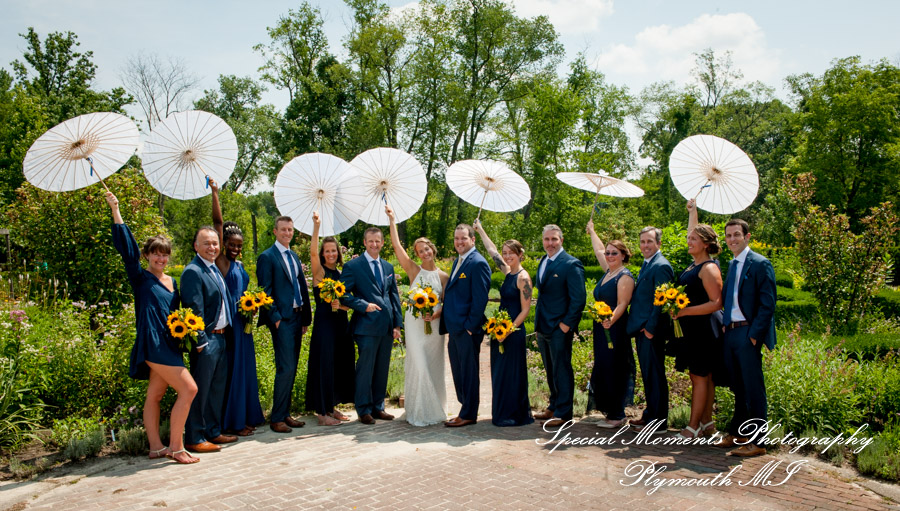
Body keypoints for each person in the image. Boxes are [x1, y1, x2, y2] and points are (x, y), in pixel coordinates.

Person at [106, 192, 199, 465]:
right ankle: (177, 447)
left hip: (170, 344)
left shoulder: (173, 281)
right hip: (153, 343)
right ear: (147, 255)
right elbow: (127, 250)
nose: (160, 259)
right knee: (189, 390)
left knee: (155, 396)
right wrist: (116, 209)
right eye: (155, 254)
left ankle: (156, 448)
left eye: (164, 255)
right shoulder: (140, 278)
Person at [717, 217, 777, 457]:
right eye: (729, 235)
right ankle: (739, 433)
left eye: (736, 235)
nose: (732, 239)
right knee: (738, 387)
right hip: (731, 332)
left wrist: (753, 336)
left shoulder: (760, 264)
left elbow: (768, 305)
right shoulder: (731, 264)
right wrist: (725, 324)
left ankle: (759, 442)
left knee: (753, 388)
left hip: (748, 333)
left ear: (747, 236)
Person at [209, 181, 264, 437]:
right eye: (231, 244)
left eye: (239, 245)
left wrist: (253, 306)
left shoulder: (240, 266)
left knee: (246, 371)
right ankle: (233, 422)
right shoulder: (222, 263)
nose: (235, 248)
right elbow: (218, 226)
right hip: (230, 326)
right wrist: (215, 193)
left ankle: (247, 416)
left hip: (245, 325)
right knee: (233, 373)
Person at [387, 205, 449, 426]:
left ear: (432, 249)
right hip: (414, 326)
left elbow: (446, 303)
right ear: (417, 254)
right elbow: (396, 246)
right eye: (420, 251)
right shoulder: (414, 270)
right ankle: (419, 411)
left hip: (434, 328)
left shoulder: (443, 276)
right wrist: (393, 221)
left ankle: (434, 409)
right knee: (419, 365)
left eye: (427, 249)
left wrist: (436, 314)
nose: (425, 253)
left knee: (432, 367)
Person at [181, 226, 238, 452]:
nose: (212, 247)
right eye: (206, 243)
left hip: (222, 338)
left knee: (216, 389)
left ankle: (213, 431)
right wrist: (201, 343)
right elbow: (194, 311)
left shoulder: (213, 269)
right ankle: (194, 437)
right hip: (207, 342)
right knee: (200, 391)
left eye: (215, 243)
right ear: (196, 246)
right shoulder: (193, 271)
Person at [339, 226, 403, 425]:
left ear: (382, 243)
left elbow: (394, 297)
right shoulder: (353, 266)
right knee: (365, 369)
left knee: (382, 369)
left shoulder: (388, 267)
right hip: (365, 327)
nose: (374, 244)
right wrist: (363, 305)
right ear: (365, 243)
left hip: (386, 327)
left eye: (378, 241)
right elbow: (343, 293)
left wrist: (397, 325)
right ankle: (364, 409)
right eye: (371, 241)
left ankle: (378, 407)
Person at [474, 220, 534, 427]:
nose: (507, 256)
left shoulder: (523, 278)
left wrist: (508, 330)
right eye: (505, 252)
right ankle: (501, 412)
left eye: (511, 253)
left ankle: (514, 415)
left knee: (512, 373)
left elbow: (525, 310)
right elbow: (492, 251)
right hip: (499, 331)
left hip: (513, 332)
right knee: (500, 373)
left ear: (520, 254)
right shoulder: (508, 273)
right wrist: (480, 229)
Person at [256, 216, 312, 433]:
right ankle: (277, 418)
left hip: (297, 318)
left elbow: (301, 288)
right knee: (285, 367)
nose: (287, 233)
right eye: (283, 230)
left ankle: (286, 413)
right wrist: (276, 318)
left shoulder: (294, 256)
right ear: (275, 231)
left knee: (293, 367)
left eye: (290, 230)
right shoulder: (267, 257)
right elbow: (264, 292)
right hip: (283, 320)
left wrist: (305, 318)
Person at [673, 199, 723, 440]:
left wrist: (684, 311)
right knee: (701, 375)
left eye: (693, 239)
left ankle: (692, 427)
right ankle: (707, 423)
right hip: (693, 329)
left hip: (705, 329)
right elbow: (694, 230)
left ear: (705, 244)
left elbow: (717, 303)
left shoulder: (709, 269)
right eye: (689, 238)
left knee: (700, 376)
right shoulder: (695, 265)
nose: (688, 241)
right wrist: (693, 212)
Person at [533, 225, 586, 429]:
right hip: (543, 327)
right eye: (546, 239)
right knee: (550, 369)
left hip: (559, 328)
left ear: (561, 240)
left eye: (554, 239)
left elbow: (578, 299)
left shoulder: (571, 264)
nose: (550, 243)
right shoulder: (543, 261)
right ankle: (554, 405)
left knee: (562, 369)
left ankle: (564, 412)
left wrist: (566, 325)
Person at [440, 223, 491, 427]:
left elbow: (480, 299)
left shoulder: (477, 263)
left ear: (473, 239)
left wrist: (470, 327)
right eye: (456, 238)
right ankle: (464, 409)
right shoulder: (458, 261)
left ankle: (469, 413)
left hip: (467, 330)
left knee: (468, 374)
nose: (459, 242)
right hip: (455, 328)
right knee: (459, 372)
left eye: (463, 238)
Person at [306, 211, 355, 426]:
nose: (330, 254)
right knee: (324, 364)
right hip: (325, 324)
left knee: (338, 364)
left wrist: (342, 305)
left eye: (333, 250)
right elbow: (313, 255)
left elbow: (348, 302)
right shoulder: (320, 273)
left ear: (338, 252)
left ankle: (332, 406)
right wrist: (317, 227)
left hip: (340, 324)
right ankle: (321, 412)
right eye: (327, 251)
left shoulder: (342, 274)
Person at [586, 220, 636, 429]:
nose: (609, 256)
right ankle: (610, 411)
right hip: (602, 328)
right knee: (604, 367)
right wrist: (592, 231)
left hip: (614, 329)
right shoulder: (608, 272)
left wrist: (610, 320)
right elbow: (598, 248)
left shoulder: (624, 277)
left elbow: (623, 304)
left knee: (616, 368)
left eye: (614, 253)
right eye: (608, 253)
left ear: (623, 255)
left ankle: (617, 414)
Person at [625, 226, 674, 433]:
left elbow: (661, 302)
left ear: (658, 244)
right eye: (642, 241)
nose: (645, 245)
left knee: (654, 374)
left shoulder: (661, 266)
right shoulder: (648, 264)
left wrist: (650, 330)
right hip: (642, 330)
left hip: (650, 332)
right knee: (648, 374)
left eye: (649, 242)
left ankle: (658, 421)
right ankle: (649, 415)